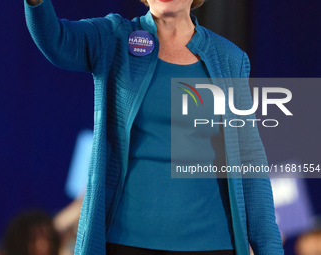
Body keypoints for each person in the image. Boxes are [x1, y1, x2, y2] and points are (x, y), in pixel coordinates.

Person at [24, 0, 284, 254]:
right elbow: (55, 40)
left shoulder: (229, 59)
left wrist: (270, 248)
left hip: (212, 242)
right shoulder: (114, 37)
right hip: (126, 241)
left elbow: (250, 162)